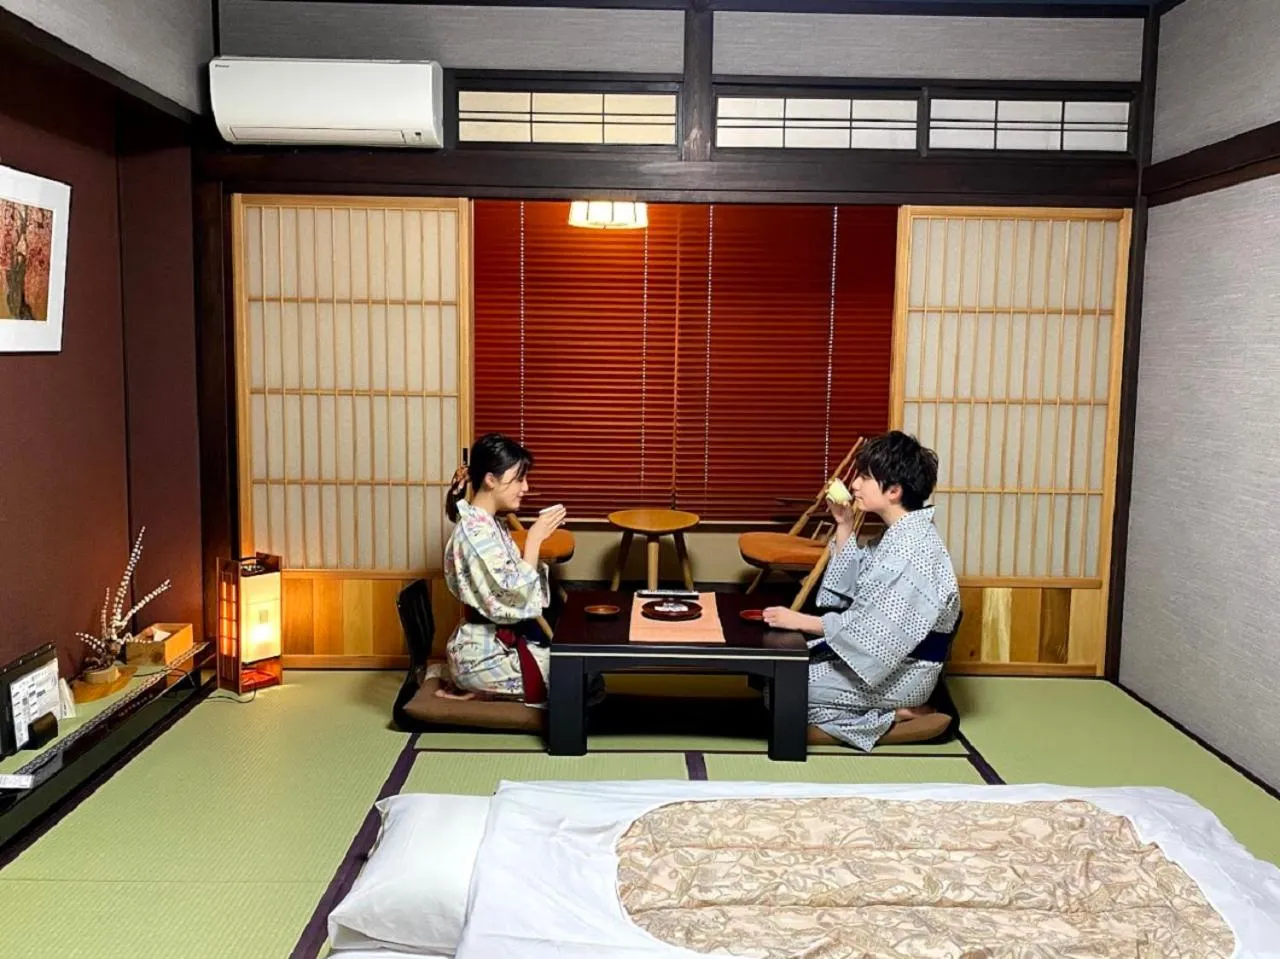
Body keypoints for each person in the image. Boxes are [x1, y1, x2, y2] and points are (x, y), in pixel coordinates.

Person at [763, 431, 960, 750]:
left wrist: (801, 621)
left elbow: (871, 631)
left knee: (782, 690)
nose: (854, 484)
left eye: (865, 477)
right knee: (777, 679)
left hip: (904, 674)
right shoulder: (899, 535)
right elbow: (857, 587)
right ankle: (886, 714)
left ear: (894, 490)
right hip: (887, 665)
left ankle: (896, 716)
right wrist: (844, 524)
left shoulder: (914, 550)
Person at [440, 433, 567, 705]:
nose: (526, 488)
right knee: (578, 679)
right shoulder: (475, 534)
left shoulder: (488, 523)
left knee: (582, 668)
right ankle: (470, 685)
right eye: (519, 479)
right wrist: (533, 539)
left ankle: (476, 688)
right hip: (484, 654)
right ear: (491, 479)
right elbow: (516, 598)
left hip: (496, 643)